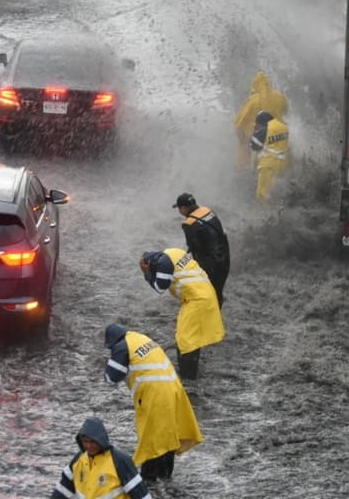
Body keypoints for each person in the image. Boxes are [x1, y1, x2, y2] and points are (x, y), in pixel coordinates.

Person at [104, 323, 204, 482]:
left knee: (151, 442)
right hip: (173, 390)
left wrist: (109, 362)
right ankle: (165, 478)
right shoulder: (141, 338)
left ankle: (149, 483)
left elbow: (111, 377)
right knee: (168, 436)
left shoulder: (122, 346)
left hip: (155, 396)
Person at [139, 249, 225, 381]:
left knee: (186, 340)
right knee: (188, 337)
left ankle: (188, 378)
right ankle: (189, 374)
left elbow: (160, 287)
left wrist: (147, 273)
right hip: (203, 293)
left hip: (197, 299)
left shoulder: (163, 264)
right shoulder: (172, 252)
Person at [51, 417, 152, 499]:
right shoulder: (78, 460)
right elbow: (63, 490)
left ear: (101, 440)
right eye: (85, 441)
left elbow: (141, 494)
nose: (88, 446)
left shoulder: (120, 460)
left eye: (92, 441)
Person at [172, 192, 231, 304]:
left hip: (211, 264)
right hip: (225, 257)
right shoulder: (208, 211)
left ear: (184, 208)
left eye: (179, 208)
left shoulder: (188, 224)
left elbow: (195, 249)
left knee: (207, 293)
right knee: (218, 291)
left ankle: (211, 316)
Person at [235, 71, 287, 172]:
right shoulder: (280, 97)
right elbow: (285, 112)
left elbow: (239, 125)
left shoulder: (251, 101)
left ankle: (243, 171)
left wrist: (243, 142)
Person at [250, 110, 290, 207]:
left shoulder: (264, 129)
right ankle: (279, 211)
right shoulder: (283, 126)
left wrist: (255, 132)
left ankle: (269, 216)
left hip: (268, 166)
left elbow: (254, 148)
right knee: (275, 193)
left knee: (261, 195)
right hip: (282, 165)